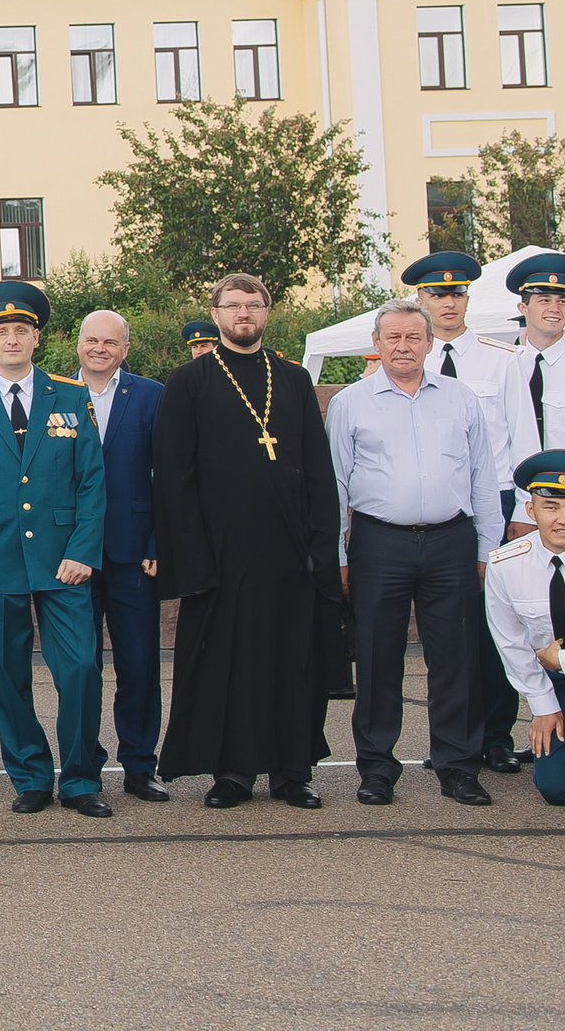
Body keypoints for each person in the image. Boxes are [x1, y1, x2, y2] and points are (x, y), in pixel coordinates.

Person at [155, 273, 340, 809]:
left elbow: (318, 471)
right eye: (232, 305)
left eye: (252, 305)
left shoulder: (294, 379)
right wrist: (192, 556)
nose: (243, 314)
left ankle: (291, 771)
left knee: (291, 661)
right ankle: (232, 771)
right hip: (222, 554)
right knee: (227, 665)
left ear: (267, 311)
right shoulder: (188, 382)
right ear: (215, 314)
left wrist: (320, 548)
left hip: (288, 553)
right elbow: (173, 475)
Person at [326, 299, 504, 807]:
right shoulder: (351, 403)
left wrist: (487, 549)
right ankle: (377, 768)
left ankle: (458, 767)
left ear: (429, 343)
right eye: (393, 339)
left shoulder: (461, 398)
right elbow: (336, 484)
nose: (403, 347)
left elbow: (483, 479)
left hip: (452, 539)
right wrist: (339, 554)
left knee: (456, 659)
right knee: (379, 658)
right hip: (379, 541)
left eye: (413, 338)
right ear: (376, 345)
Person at [0, 282, 110, 817]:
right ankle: (31, 775)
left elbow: (92, 480)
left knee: (81, 669)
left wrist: (85, 549)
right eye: (1, 332)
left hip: (65, 558)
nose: (11, 339)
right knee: (10, 676)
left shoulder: (69, 394)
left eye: (21, 330)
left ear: (36, 338)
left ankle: (82, 779)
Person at [405, 252, 523, 772]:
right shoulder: (407, 357)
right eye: (436, 294)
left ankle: (496, 735)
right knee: (445, 633)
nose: (447, 302)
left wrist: (517, 513)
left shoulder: (505, 359)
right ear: (420, 301)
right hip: (436, 507)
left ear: (468, 299)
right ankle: (453, 739)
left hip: (495, 501)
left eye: (455, 294)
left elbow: (523, 441)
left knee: (495, 625)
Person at [72, 309, 168, 800]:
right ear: (78, 345)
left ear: (125, 349)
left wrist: (157, 543)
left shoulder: (151, 395)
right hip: (74, 557)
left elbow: (168, 475)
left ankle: (138, 763)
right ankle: (85, 762)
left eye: (111, 342)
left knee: (139, 663)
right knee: (81, 666)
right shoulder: (56, 395)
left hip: (135, 553)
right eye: (92, 340)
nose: (100, 349)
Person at [486, 451, 565, 804]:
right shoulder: (505, 565)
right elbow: (511, 645)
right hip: (560, 687)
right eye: (551, 506)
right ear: (531, 510)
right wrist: (542, 705)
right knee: (560, 790)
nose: (563, 520)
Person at [504, 253, 565, 466]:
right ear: (523, 309)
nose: (554, 309)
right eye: (544, 300)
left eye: (562, 301)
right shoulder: (505, 365)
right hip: (514, 493)